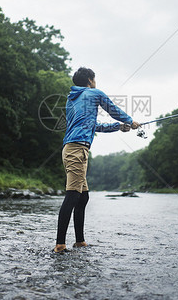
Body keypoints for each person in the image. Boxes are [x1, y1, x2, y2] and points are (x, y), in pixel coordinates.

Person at [54, 67, 140, 253]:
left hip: (70, 149)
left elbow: (94, 125)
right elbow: (112, 109)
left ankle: (79, 241)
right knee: (72, 196)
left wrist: (118, 127)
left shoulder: (72, 100)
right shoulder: (94, 93)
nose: (96, 82)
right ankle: (60, 244)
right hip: (77, 150)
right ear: (90, 80)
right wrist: (130, 121)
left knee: (82, 197)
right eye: (95, 79)